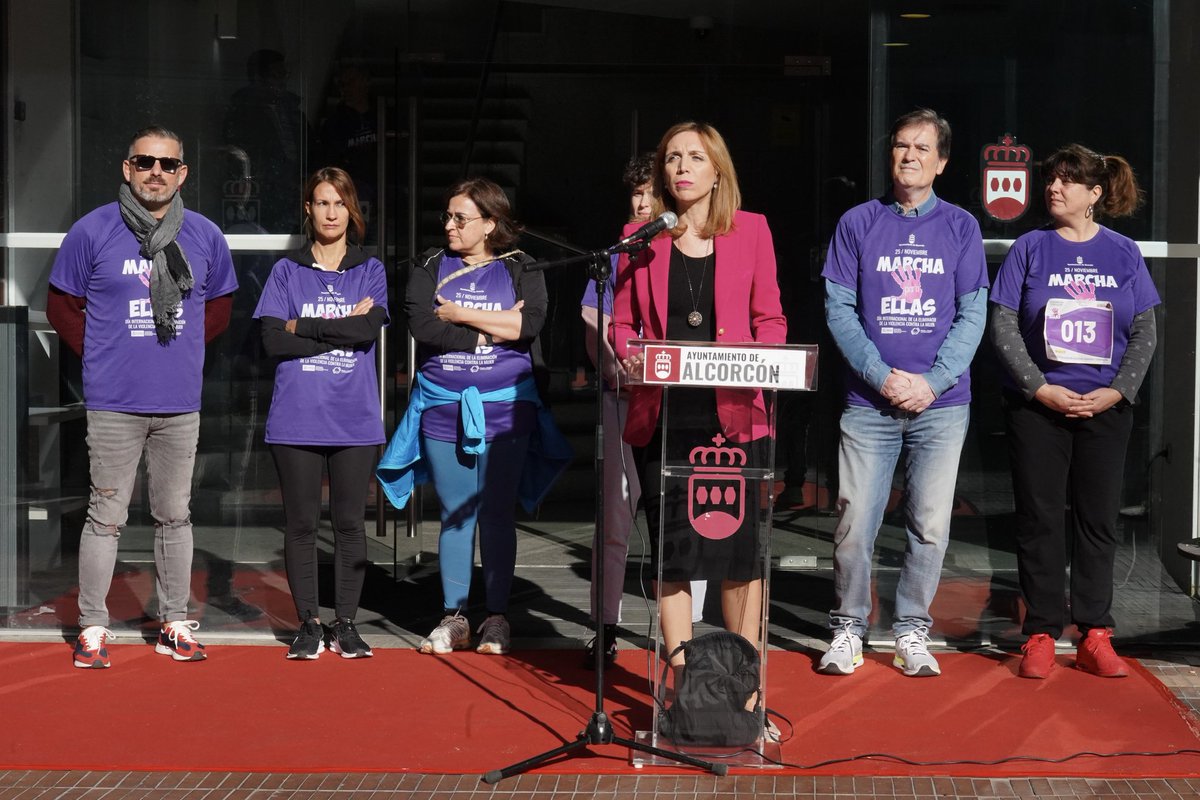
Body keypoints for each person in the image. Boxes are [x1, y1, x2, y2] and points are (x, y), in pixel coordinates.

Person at [47, 125, 239, 668]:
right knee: (104, 515)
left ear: (183, 174)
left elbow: (218, 309)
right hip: (113, 401)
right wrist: (104, 353)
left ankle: (174, 622)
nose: (157, 172)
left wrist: (176, 351)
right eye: (146, 162)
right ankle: (92, 627)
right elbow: (62, 304)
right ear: (127, 169)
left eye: (168, 164)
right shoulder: (93, 231)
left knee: (174, 516)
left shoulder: (203, 235)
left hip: (178, 402)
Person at [611, 122, 786, 681]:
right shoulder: (639, 238)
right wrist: (632, 355)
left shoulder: (753, 231)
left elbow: (770, 319)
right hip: (665, 416)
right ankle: (685, 685)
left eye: (695, 157)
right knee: (673, 554)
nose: (681, 167)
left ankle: (745, 689)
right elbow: (622, 323)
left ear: (717, 171)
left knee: (739, 556)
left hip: (735, 415)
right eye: (672, 158)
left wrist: (763, 360)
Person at [817, 108, 988, 678]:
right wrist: (880, 374)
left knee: (929, 524)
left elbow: (972, 314)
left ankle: (913, 629)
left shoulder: (961, 227)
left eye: (921, 148)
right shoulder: (858, 222)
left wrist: (932, 381)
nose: (908, 155)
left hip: (942, 406)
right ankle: (849, 627)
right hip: (869, 403)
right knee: (853, 522)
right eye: (899, 146)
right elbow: (838, 309)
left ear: (941, 161)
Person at [376, 177, 570, 656]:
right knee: (456, 515)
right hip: (443, 406)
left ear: (490, 223)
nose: (449, 225)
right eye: (447, 216)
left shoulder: (522, 266)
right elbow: (422, 325)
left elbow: (529, 324)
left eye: (460, 218)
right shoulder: (429, 263)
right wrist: (493, 330)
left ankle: (498, 618)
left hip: (507, 407)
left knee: (498, 514)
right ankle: (456, 616)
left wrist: (459, 313)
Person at [990, 144, 1159, 679]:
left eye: (1067, 181)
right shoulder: (1030, 248)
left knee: (1097, 521)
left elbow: (1146, 331)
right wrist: (1039, 389)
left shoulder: (1124, 252)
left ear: (1095, 194)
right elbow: (1003, 324)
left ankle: (1095, 632)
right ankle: (1040, 631)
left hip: (1105, 410)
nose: (1053, 188)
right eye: (1051, 180)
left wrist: (1117, 392)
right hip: (1039, 409)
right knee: (1039, 521)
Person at [253, 167, 388, 660]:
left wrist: (302, 326)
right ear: (308, 211)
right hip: (295, 418)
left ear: (352, 211)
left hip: (354, 419)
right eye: (321, 203)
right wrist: (341, 323)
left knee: (351, 524)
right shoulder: (286, 271)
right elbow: (271, 340)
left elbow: (366, 332)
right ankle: (308, 623)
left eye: (339, 203)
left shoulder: (369, 269)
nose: (331, 212)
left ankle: (346, 624)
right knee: (301, 526)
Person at [581, 153, 707, 666]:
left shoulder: (691, 247)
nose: (639, 203)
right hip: (622, 396)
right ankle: (605, 627)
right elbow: (593, 314)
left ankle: (687, 634)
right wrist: (617, 366)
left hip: (681, 401)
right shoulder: (617, 251)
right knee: (615, 513)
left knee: (686, 513)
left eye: (648, 194)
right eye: (633, 195)